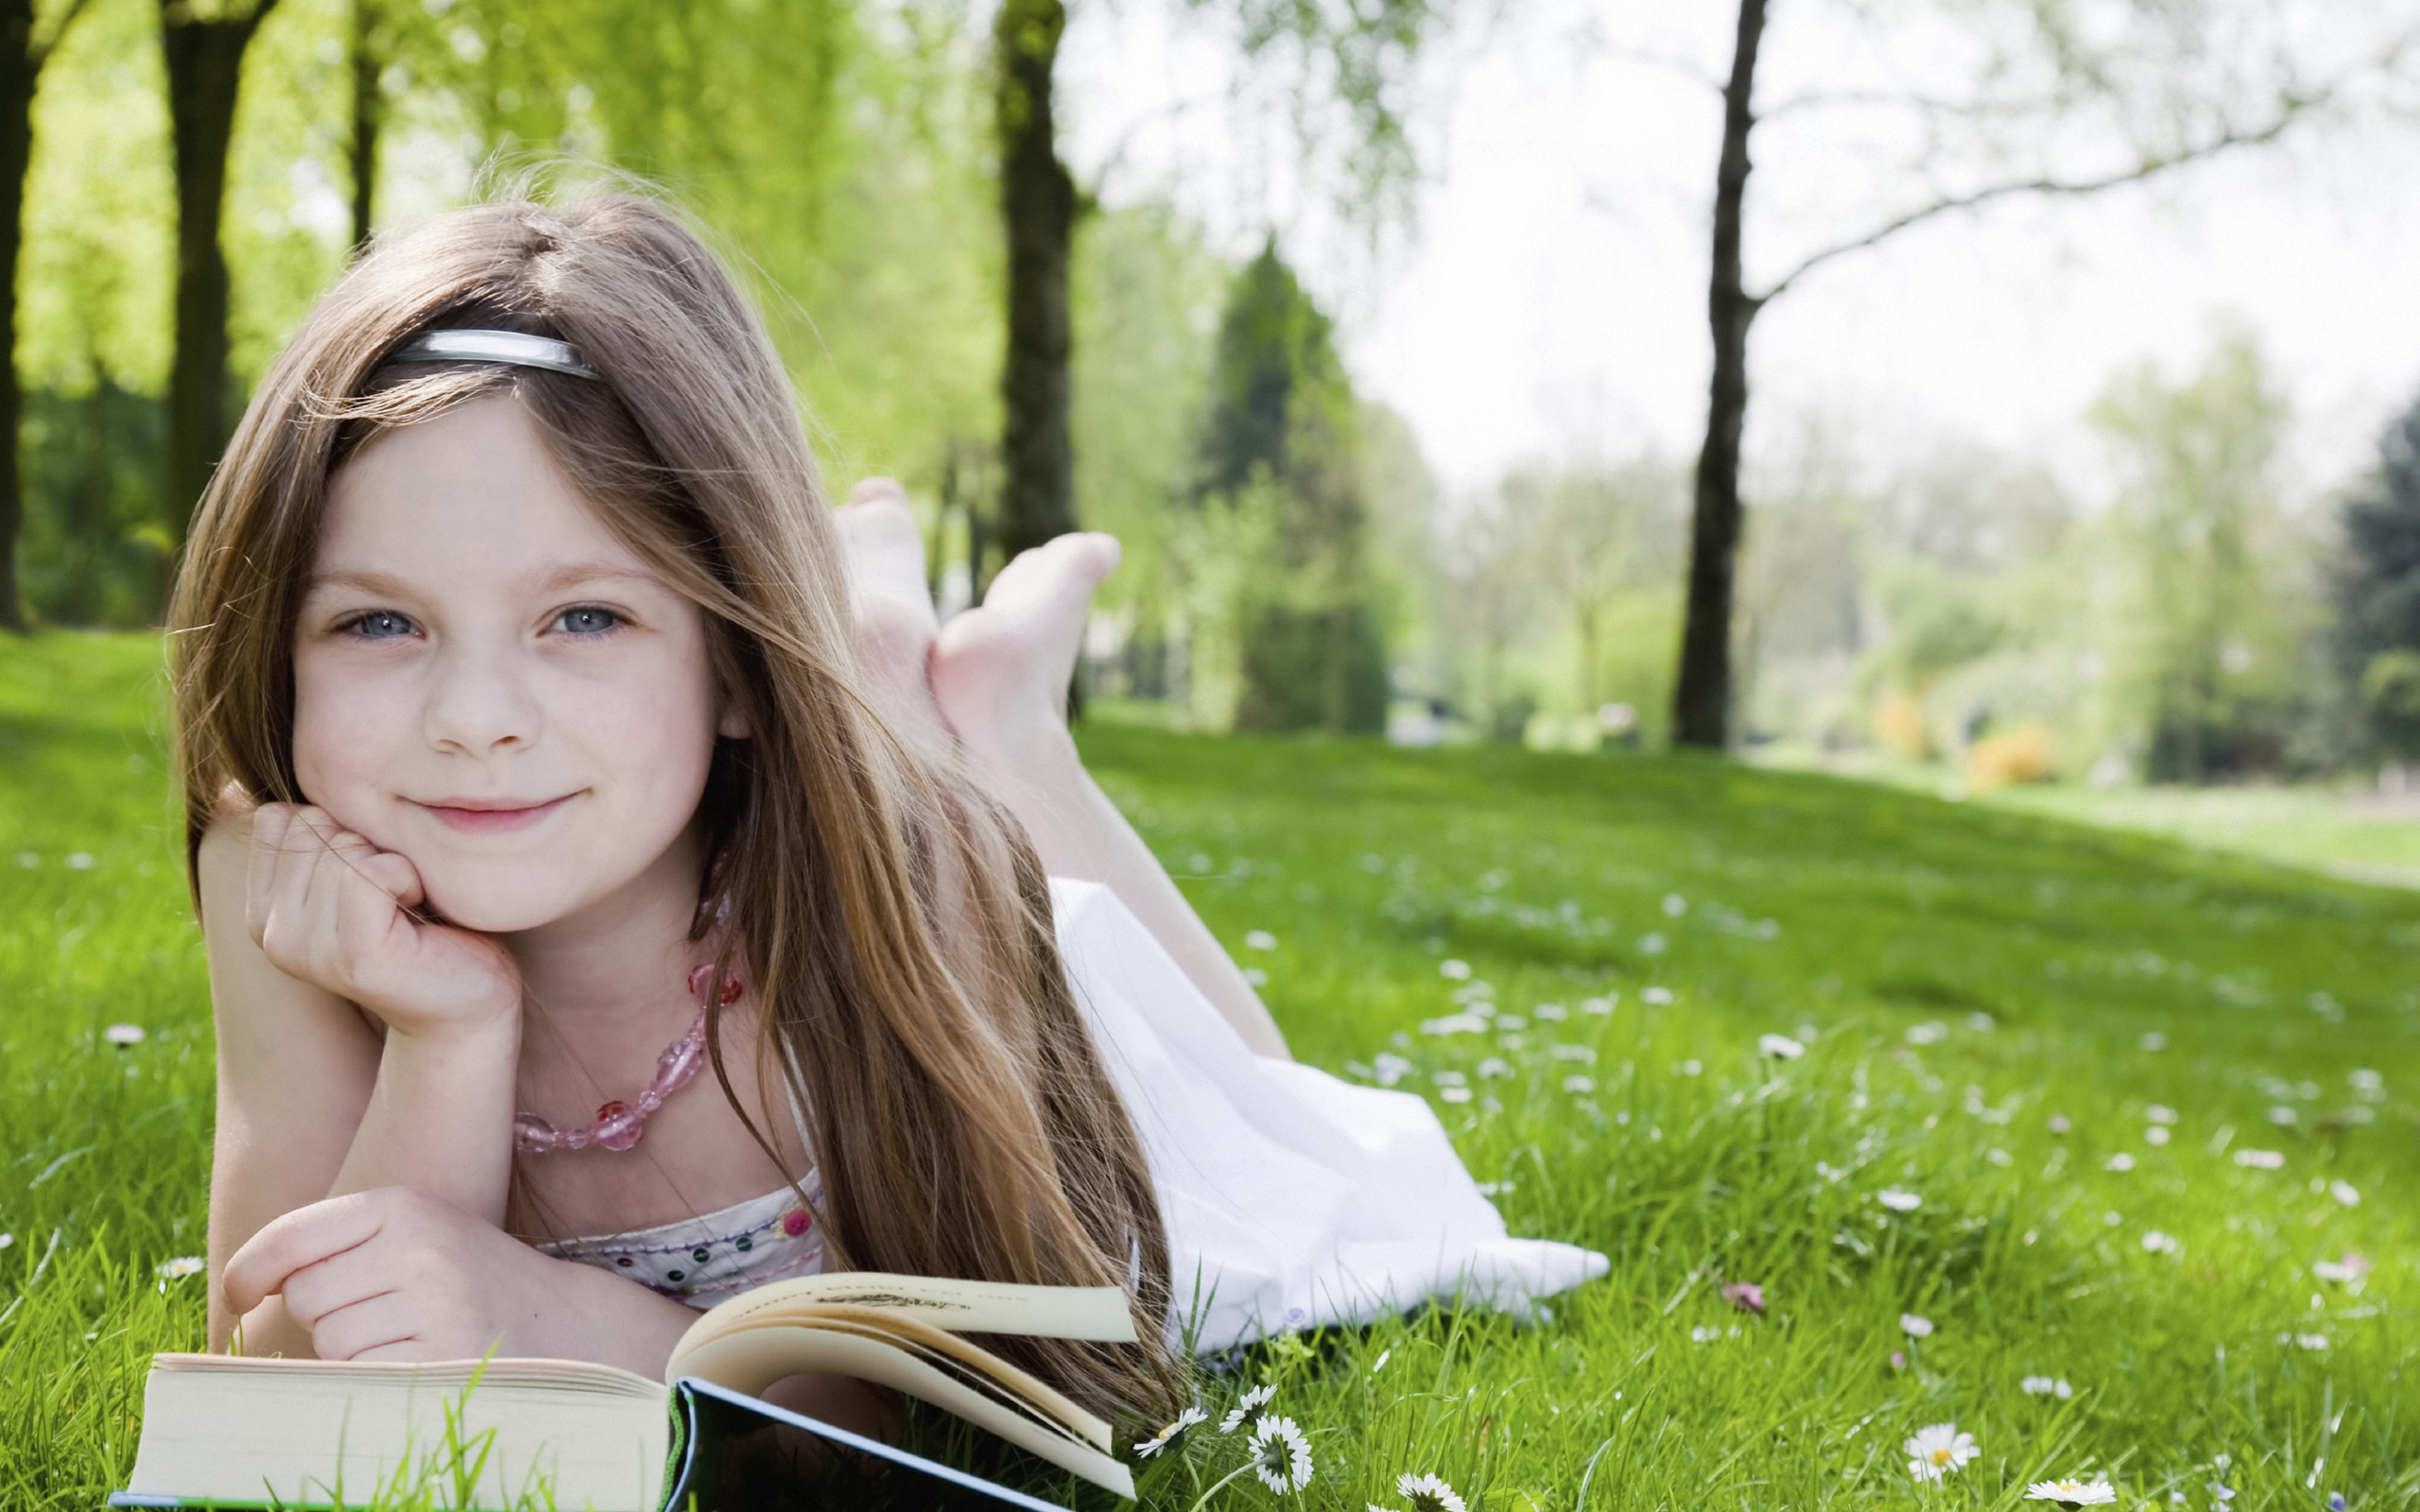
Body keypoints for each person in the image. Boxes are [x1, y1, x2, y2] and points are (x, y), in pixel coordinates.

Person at [174, 191, 1604, 1435]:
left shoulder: (887, 898)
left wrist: (586, 1328)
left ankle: (998, 723)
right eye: (376, 627)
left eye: (586, 616)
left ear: (736, 662)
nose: (473, 716)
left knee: (1281, 1118)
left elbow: (1026, 1366)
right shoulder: (286, 884)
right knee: (894, 764)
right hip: (859, 796)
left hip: (1037, 1002)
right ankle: (893, 665)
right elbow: (280, 1367)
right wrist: (448, 1031)